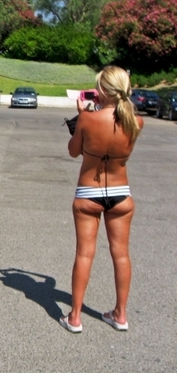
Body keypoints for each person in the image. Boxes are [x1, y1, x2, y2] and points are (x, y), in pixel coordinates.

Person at [59, 66, 144, 334]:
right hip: (121, 192)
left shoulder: (87, 118)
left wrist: (81, 116)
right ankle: (120, 315)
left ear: (103, 90)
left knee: (85, 253)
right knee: (121, 255)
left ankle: (75, 317)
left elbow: (74, 152)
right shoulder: (136, 122)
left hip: (89, 192)